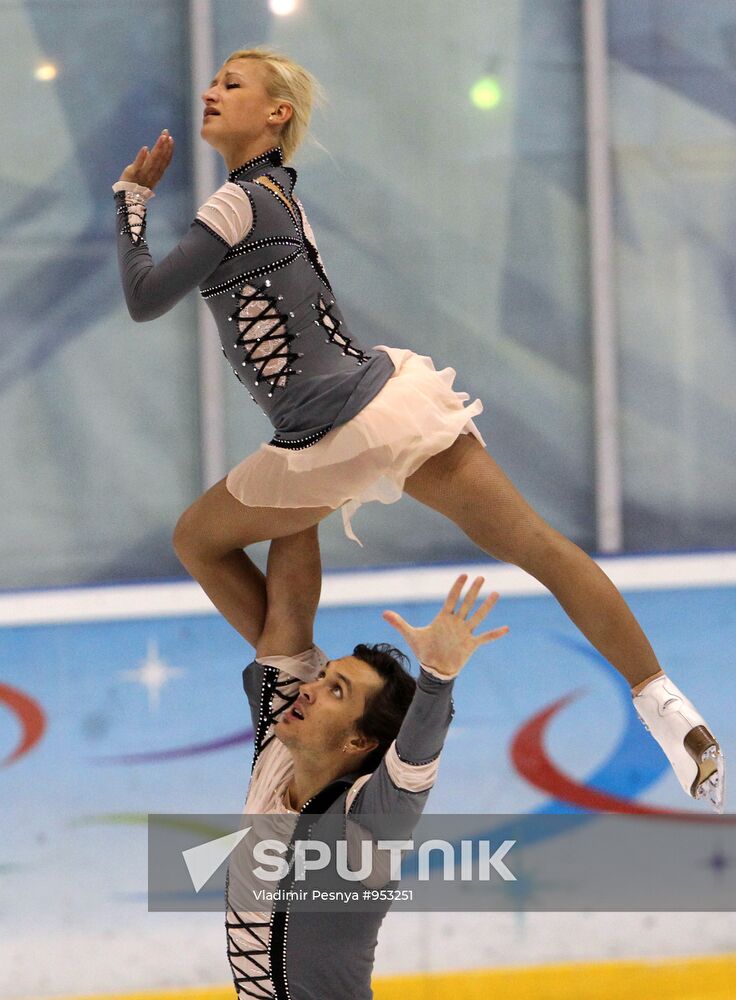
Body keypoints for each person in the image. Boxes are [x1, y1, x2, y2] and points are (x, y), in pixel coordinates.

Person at [111, 48, 724, 811]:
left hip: (332, 431)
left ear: (278, 114)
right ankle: (671, 711)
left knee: (200, 540)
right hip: (366, 418)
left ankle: (300, 693)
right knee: (539, 547)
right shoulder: (279, 197)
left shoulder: (238, 201)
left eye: (231, 84)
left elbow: (143, 297)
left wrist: (132, 203)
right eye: (213, 80)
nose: (210, 90)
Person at [225, 525, 508, 999]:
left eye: (337, 691)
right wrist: (302, 482)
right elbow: (288, 611)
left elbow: (416, 755)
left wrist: (437, 679)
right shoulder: (275, 748)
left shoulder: (371, 818)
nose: (309, 689)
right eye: (323, 676)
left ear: (360, 741)